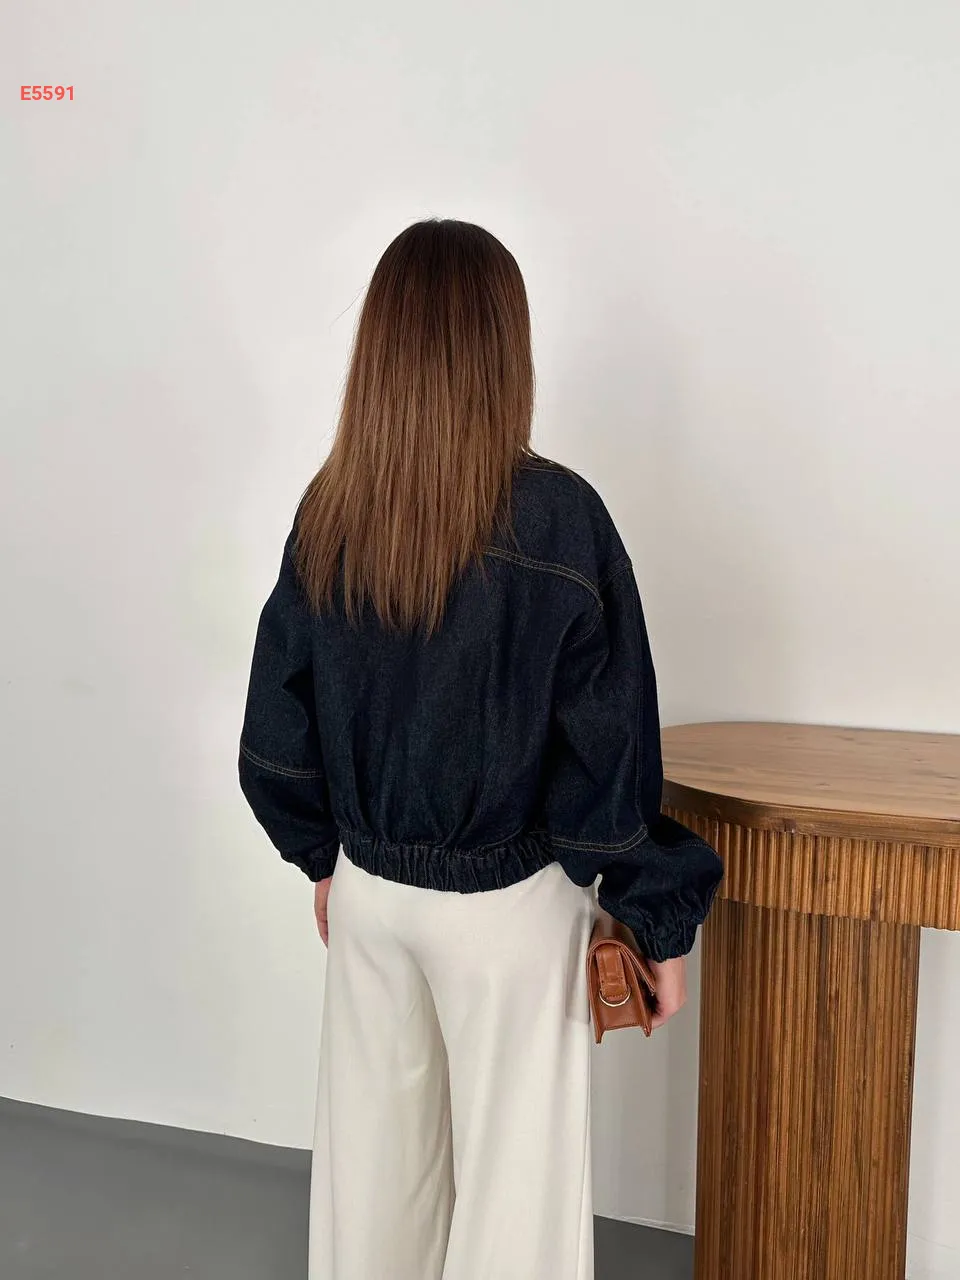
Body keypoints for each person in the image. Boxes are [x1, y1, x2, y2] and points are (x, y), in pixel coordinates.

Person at [237, 218, 724, 1280]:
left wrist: (326, 858)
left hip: (369, 900)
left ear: (381, 347)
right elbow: (608, 755)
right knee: (518, 1200)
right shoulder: (561, 520)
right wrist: (657, 916)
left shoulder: (331, 510)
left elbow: (274, 734)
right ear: (506, 347)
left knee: (374, 1185)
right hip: (510, 911)